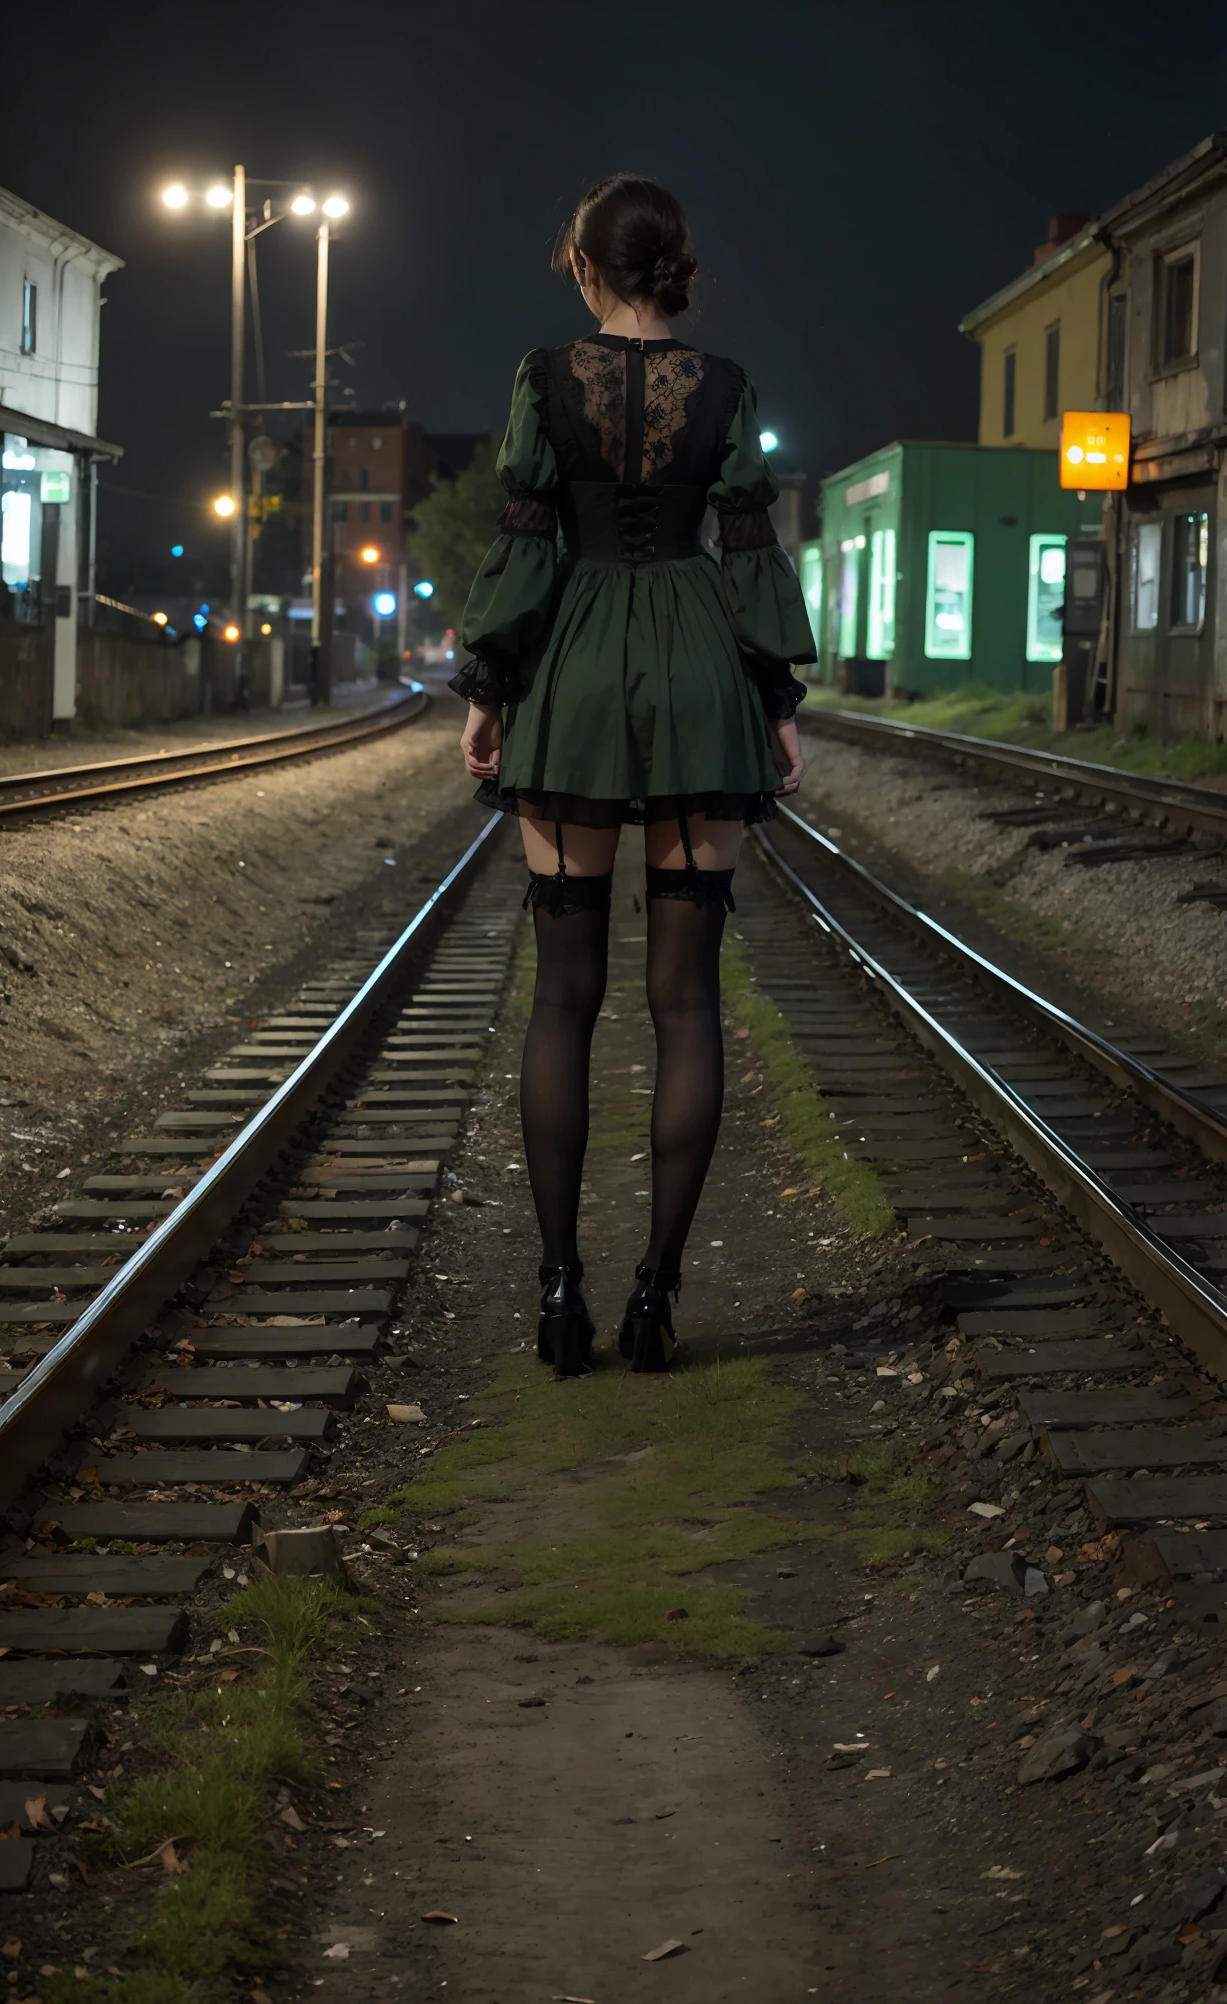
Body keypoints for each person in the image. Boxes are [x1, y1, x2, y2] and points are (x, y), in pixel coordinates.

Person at [453, 173, 812, 1378]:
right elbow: (751, 548)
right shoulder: (727, 386)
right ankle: (655, 1298)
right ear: (677, 269)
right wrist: (775, 703)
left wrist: (489, 687)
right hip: (703, 678)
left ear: (586, 267)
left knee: (562, 996)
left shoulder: (543, 378)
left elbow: (526, 534)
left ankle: (560, 1297)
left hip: (575, 680)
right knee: (686, 999)